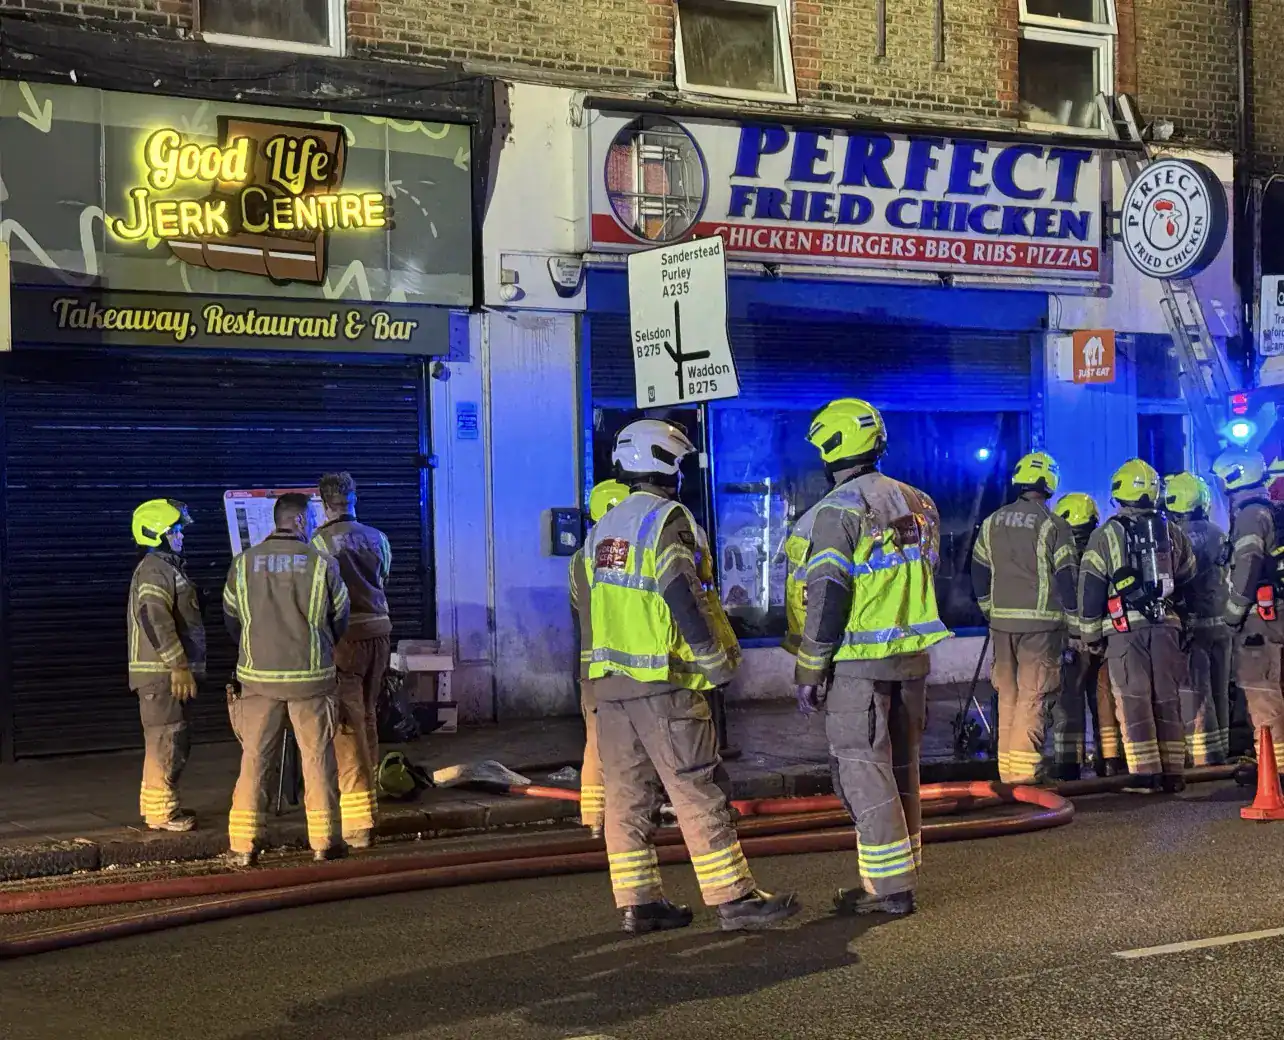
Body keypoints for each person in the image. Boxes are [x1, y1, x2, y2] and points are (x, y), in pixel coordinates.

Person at [582, 418, 798, 934]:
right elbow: (682, 591)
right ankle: (735, 898)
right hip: (666, 679)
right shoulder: (666, 519)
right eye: (679, 464)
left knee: (628, 795)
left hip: (612, 683)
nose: (682, 475)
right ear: (666, 465)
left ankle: (639, 903)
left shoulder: (603, 528)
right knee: (696, 787)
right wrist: (713, 661)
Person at [795, 398, 951, 916]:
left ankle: (888, 890)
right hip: (912, 660)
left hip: (858, 663)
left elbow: (828, 591)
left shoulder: (838, 510)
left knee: (864, 771)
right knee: (902, 769)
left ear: (830, 447)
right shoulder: (920, 502)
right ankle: (901, 873)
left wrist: (809, 667)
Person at [223, 493, 350, 866]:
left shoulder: (243, 563)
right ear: (298, 521)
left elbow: (232, 619)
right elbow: (339, 617)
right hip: (311, 679)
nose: (312, 524)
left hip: (257, 679)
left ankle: (244, 846)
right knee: (316, 758)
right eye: (309, 518)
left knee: (255, 759)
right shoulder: (322, 564)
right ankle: (324, 842)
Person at [1078, 459, 1195, 792]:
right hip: (1167, 625)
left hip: (1125, 629)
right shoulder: (1171, 529)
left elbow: (1091, 585)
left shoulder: (1106, 534)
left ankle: (1145, 775)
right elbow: (1189, 571)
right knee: (1167, 697)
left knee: (1134, 698)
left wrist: (1090, 635)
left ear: (1118, 493)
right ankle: (1174, 773)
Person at [971, 453, 1078, 784]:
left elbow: (978, 569)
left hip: (1001, 625)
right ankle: (1025, 775)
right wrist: (1076, 623)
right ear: (1049, 484)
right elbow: (1066, 577)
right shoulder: (1053, 525)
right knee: (1034, 697)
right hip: (1041, 626)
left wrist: (989, 608)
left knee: (1008, 696)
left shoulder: (992, 522)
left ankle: (1006, 772)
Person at [310, 472, 392, 850]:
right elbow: (384, 578)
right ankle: (372, 797)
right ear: (353, 498)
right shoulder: (377, 537)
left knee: (347, 723)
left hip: (345, 640)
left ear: (323, 503)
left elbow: (320, 596)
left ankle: (358, 822)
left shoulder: (319, 541)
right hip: (379, 633)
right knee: (371, 715)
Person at [127, 499, 205, 832]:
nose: (180, 536)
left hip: (162, 673)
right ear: (156, 533)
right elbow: (154, 617)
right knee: (170, 739)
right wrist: (179, 666)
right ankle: (162, 813)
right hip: (162, 675)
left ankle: (159, 804)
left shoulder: (163, 568)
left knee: (164, 739)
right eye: (174, 530)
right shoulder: (155, 569)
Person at [569, 478, 630, 837]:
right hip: (629, 665)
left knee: (595, 740)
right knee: (631, 746)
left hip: (591, 665)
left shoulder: (580, 557)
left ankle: (593, 819)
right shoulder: (627, 550)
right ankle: (628, 819)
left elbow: (579, 606)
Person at [1213, 449, 1284, 758]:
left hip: (1259, 619)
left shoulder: (1249, 515)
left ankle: (1275, 767)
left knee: (1262, 692)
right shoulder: (1272, 510)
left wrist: (1232, 614)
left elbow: (1247, 565)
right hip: (1277, 612)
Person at [1052, 493, 1125, 778]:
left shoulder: (1058, 552)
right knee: (1103, 696)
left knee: (1069, 699)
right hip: (1101, 636)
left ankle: (1068, 763)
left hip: (1070, 638)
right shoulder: (1102, 546)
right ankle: (1109, 759)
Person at [1163, 472, 1232, 766]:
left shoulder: (1173, 536)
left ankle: (1203, 755)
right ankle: (1224, 749)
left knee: (1196, 692)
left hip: (1193, 626)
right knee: (1221, 688)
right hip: (1222, 622)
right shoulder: (1218, 532)